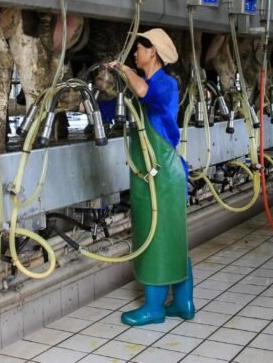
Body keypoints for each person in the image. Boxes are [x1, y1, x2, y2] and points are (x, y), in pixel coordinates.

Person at [108, 28, 193, 326]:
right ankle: (183, 302)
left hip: (161, 174)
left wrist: (123, 69)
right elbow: (131, 103)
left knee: (155, 235)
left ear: (152, 52)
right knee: (172, 237)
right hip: (156, 173)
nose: (135, 54)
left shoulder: (165, 85)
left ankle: (154, 309)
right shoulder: (147, 86)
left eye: (139, 49)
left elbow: (144, 93)